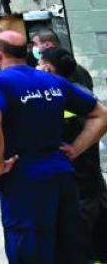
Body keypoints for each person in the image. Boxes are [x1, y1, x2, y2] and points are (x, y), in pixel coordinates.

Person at [0, 30, 107, 263]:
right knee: (68, 247)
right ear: (27, 52)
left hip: (23, 176)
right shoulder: (54, 81)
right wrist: (76, 148)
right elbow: (101, 114)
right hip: (61, 175)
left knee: (29, 249)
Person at [38, 46, 107, 260]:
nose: (36, 69)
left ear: (49, 70)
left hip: (77, 184)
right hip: (92, 180)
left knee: (79, 239)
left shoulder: (59, 99)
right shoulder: (80, 91)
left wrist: (74, 149)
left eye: (39, 65)